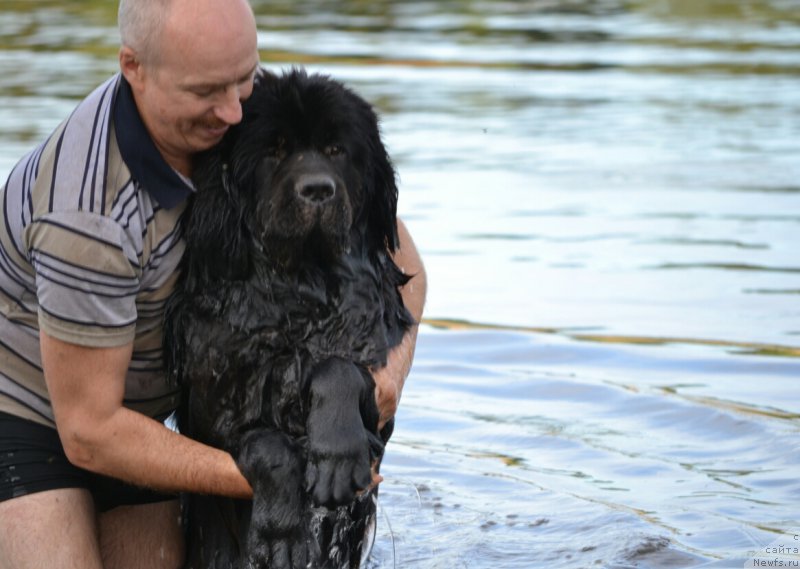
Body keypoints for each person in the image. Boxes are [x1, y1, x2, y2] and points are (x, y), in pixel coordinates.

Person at [0, 0, 426, 567]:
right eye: (208, 92)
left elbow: (404, 264)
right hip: (35, 417)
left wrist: (383, 380)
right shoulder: (88, 214)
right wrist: (282, 475)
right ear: (134, 68)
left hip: (147, 422)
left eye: (242, 79)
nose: (231, 111)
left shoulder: (235, 99)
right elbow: (90, 432)